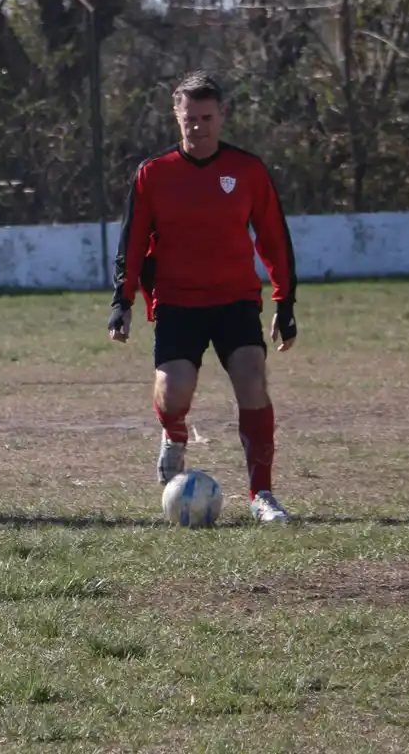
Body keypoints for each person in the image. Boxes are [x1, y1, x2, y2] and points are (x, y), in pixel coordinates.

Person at [107, 70, 299, 523]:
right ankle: (174, 433)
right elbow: (133, 240)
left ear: (222, 115)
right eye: (189, 118)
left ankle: (262, 494)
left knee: (252, 380)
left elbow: (274, 237)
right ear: (177, 117)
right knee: (173, 393)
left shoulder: (247, 170)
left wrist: (285, 302)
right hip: (177, 303)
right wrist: (122, 300)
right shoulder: (154, 174)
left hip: (235, 300)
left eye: (206, 117)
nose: (198, 126)